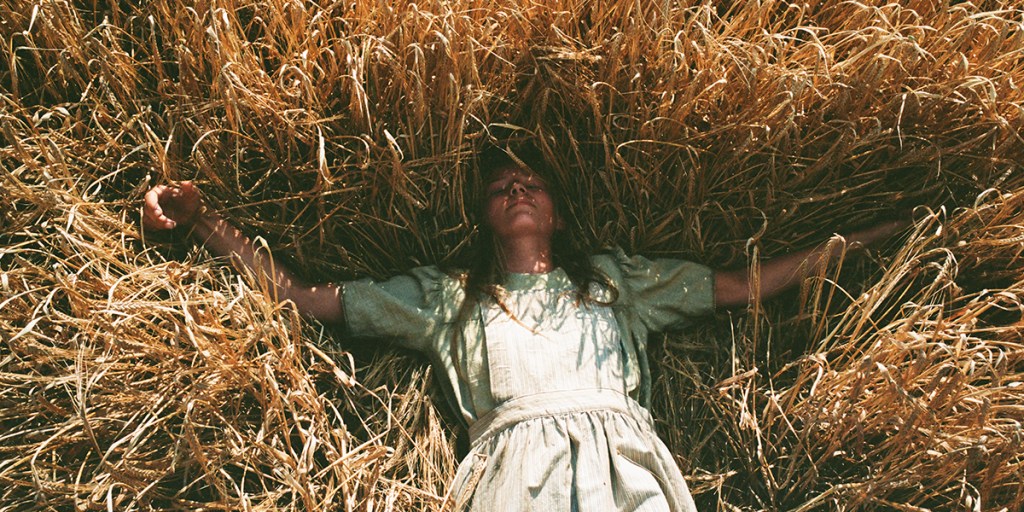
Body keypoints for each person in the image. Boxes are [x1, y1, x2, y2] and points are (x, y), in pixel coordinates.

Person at [142, 145, 904, 511]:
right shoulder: (444, 297)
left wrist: (868, 240)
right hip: (512, 472)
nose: (516, 189)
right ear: (484, 215)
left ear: (557, 213)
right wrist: (205, 222)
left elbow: (743, 285)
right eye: (501, 186)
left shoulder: (616, 281)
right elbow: (307, 300)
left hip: (622, 465)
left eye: (531, 181)